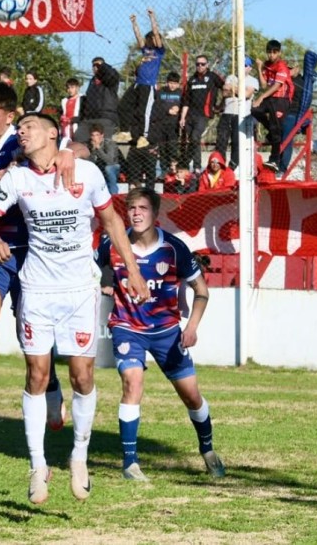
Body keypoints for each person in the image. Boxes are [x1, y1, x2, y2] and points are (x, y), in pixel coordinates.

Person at [0, 112, 150, 504]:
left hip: (79, 289)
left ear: (53, 133)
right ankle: (38, 464)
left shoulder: (85, 172)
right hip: (36, 288)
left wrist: (132, 272)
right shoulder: (18, 177)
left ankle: (79, 456)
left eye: (29, 127)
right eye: (18, 129)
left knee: (82, 376)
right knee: (37, 374)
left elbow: (112, 223)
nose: (21, 133)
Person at [0, 82, 78, 424]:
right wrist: (5, 174)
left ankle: (51, 385)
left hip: (33, 249)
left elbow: (75, 147)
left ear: (10, 116)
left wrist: (68, 152)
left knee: (31, 329)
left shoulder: (24, 137)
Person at [96, 186, 225, 481]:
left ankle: (207, 450)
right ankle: (130, 463)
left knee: (192, 397)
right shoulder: (112, 244)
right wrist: (102, 282)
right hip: (127, 328)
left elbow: (201, 291)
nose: (136, 214)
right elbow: (89, 268)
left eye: (143, 208)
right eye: (131, 209)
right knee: (132, 383)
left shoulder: (174, 248)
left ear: (155, 214)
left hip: (167, 332)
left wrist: (191, 327)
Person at [252, 39, 294, 172]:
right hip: (271, 98)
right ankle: (270, 130)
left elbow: (276, 86)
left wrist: (262, 96)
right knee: (254, 109)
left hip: (281, 100)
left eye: (274, 52)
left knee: (276, 130)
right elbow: (264, 85)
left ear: (279, 53)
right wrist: (259, 69)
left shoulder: (282, 66)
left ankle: (274, 159)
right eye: (269, 52)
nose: (271, 55)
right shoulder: (267, 65)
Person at [180, 55, 224, 173]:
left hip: (203, 114)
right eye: (198, 64)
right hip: (190, 115)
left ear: (207, 65)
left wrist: (220, 106)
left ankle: (187, 163)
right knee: (193, 140)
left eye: (202, 64)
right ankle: (195, 168)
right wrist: (182, 117)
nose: (200, 66)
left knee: (195, 137)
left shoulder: (213, 77)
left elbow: (226, 88)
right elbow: (186, 101)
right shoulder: (192, 80)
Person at [127, 8, 164, 146]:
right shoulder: (146, 50)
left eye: (156, 38)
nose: (154, 39)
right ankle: (131, 132)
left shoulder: (159, 51)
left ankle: (145, 135)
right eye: (152, 38)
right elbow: (138, 36)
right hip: (139, 83)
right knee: (135, 109)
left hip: (149, 84)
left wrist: (152, 17)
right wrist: (134, 23)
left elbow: (155, 31)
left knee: (145, 111)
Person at [216, 56, 259, 170]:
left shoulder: (253, 80)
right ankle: (220, 166)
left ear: (249, 68)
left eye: (245, 66)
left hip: (242, 115)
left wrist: (233, 89)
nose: (242, 68)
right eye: (240, 65)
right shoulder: (231, 77)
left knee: (237, 142)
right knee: (221, 141)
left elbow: (247, 95)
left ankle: (232, 167)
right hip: (227, 112)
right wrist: (239, 90)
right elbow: (225, 92)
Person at [75, 57, 120, 142]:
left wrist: (102, 66)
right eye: (93, 65)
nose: (95, 67)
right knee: (78, 137)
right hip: (90, 118)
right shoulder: (92, 81)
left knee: (104, 142)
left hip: (106, 116)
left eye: (98, 65)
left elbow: (112, 75)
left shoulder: (111, 78)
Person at [148, 71, 182, 171]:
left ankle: (173, 168)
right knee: (162, 148)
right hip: (161, 124)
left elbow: (185, 106)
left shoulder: (180, 93)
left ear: (178, 84)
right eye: (170, 83)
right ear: (167, 82)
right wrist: (168, 110)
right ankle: (163, 169)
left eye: (175, 83)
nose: (172, 85)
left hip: (174, 125)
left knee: (172, 148)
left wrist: (178, 109)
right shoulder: (161, 92)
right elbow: (156, 107)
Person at [87, 123, 120, 194]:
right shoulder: (89, 145)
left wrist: (99, 148)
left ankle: (114, 194)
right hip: (100, 167)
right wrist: (93, 150)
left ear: (102, 135)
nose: (95, 138)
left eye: (97, 135)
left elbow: (109, 161)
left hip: (114, 167)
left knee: (108, 168)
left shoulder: (109, 143)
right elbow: (90, 163)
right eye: (93, 135)